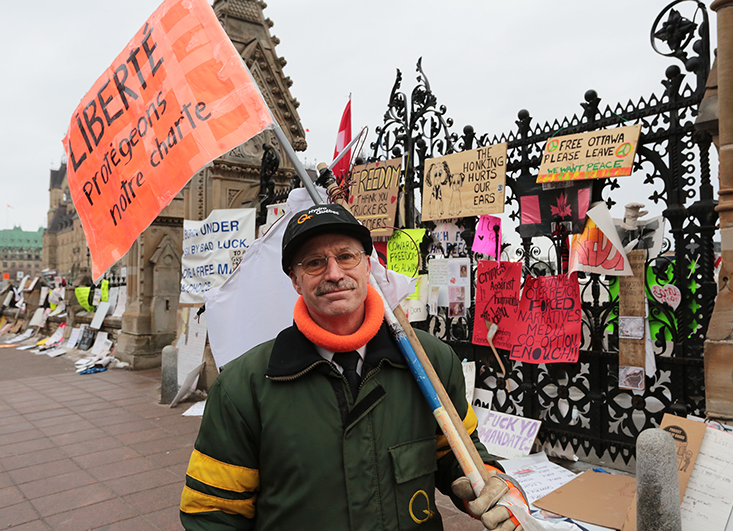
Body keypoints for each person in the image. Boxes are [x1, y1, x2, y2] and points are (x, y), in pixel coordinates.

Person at [180, 203, 522, 530]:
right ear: (295, 281)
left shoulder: (431, 361)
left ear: (367, 265)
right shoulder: (244, 386)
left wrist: (492, 482)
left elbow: (458, 451)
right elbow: (213, 512)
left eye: (346, 256)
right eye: (314, 263)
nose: (334, 273)